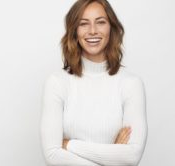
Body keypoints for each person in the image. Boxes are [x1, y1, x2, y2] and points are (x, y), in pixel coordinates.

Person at [40, 0, 148, 165]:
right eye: (83, 24)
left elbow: (131, 156)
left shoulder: (131, 84)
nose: (92, 31)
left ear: (111, 28)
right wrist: (112, 156)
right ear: (74, 31)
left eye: (100, 22)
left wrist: (69, 145)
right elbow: (53, 155)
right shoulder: (57, 83)